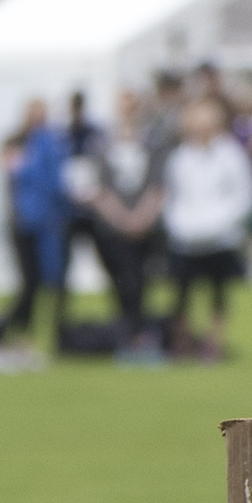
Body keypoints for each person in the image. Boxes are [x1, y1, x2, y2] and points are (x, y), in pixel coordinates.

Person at [161, 82, 252, 348]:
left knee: (218, 294)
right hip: (186, 239)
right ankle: (182, 343)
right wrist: (179, 224)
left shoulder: (231, 155)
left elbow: (244, 195)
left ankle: (214, 343)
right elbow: (172, 197)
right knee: (181, 294)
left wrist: (222, 222)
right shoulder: (180, 158)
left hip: (221, 239)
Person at [77, 92, 166, 346]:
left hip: (145, 226)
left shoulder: (154, 142)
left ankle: (138, 335)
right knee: (120, 282)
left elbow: (157, 184)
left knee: (141, 282)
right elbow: (98, 187)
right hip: (112, 227)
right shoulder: (101, 143)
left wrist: (141, 217)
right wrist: (122, 219)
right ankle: (126, 334)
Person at [4, 98, 74, 340]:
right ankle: (17, 332)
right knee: (30, 282)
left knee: (56, 282)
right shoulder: (16, 142)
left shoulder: (52, 142)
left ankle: (58, 335)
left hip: (50, 222)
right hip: (26, 222)